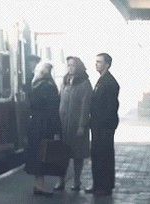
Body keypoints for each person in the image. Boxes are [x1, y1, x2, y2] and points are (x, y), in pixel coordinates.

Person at [24, 62, 61, 197]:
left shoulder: (37, 86)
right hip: (44, 125)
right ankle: (40, 185)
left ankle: (39, 184)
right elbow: (54, 110)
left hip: (36, 124)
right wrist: (57, 129)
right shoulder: (49, 86)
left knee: (37, 154)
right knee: (42, 154)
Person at [85, 53, 120, 197]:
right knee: (97, 155)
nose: (96, 64)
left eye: (99, 62)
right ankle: (98, 183)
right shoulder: (101, 80)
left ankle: (105, 186)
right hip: (98, 125)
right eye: (96, 62)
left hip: (104, 126)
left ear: (107, 64)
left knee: (104, 155)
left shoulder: (110, 82)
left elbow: (111, 107)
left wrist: (102, 123)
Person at [56, 56, 92, 192]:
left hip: (77, 125)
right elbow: (60, 100)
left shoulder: (84, 83)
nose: (70, 68)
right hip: (63, 123)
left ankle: (77, 181)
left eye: (73, 65)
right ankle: (61, 180)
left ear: (79, 67)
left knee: (78, 155)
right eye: (68, 65)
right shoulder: (64, 81)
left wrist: (82, 125)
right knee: (62, 154)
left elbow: (85, 106)